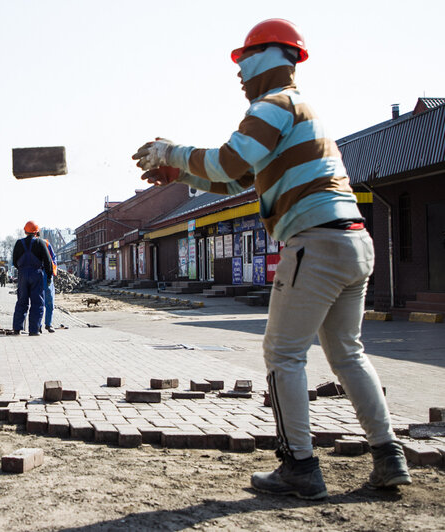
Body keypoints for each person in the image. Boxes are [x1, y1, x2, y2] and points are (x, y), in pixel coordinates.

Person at [132, 19, 410, 500]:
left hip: (314, 242)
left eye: (242, 62)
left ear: (266, 58)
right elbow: (238, 180)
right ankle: (388, 456)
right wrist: (181, 175)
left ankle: (298, 466)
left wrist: (169, 150)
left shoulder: (273, 105)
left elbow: (226, 162)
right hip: (352, 241)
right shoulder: (300, 110)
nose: (238, 74)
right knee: (347, 353)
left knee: (283, 355)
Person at [12, 221, 53, 336]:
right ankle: (34, 330)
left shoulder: (19, 243)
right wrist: (48, 276)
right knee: (37, 302)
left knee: (21, 301)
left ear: (25, 231)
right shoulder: (40, 243)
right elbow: (48, 261)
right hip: (36, 274)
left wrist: (22, 269)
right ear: (37, 232)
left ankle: (17, 328)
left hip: (22, 275)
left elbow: (15, 261)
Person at [39, 232, 58, 333]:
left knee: (49, 301)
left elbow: (53, 259)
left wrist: (51, 272)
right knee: (38, 302)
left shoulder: (46, 244)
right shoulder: (29, 244)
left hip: (46, 275)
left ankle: (48, 324)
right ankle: (38, 325)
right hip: (37, 275)